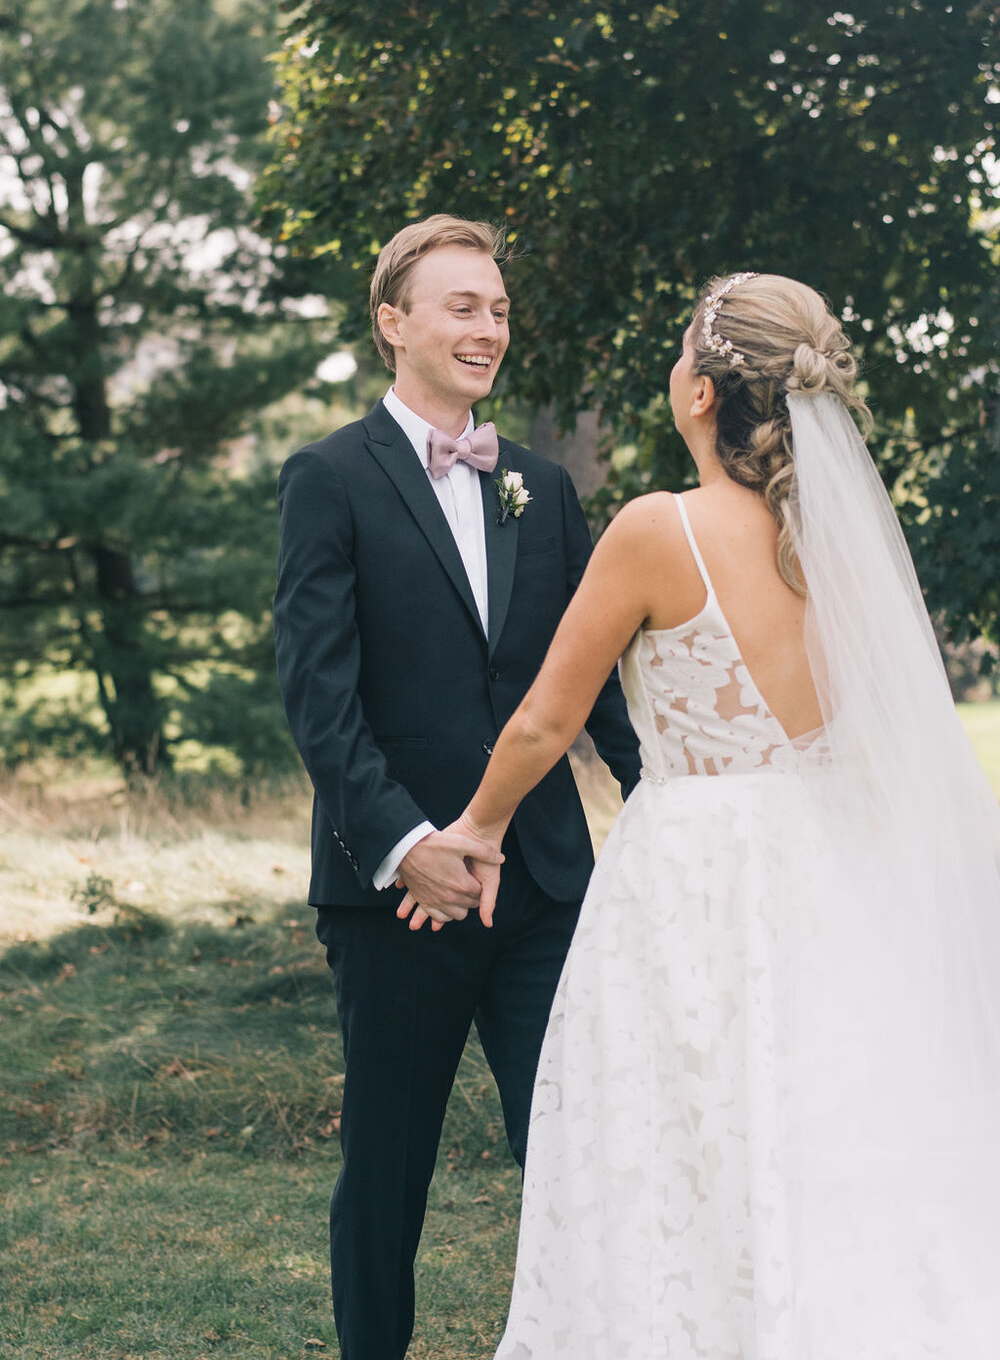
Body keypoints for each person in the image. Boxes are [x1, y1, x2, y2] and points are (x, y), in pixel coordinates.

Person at [402, 271, 1000, 1357]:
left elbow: (544, 719)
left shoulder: (656, 531)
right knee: (817, 1129)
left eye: (681, 353)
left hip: (688, 878)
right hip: (823, 865)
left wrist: (477, 829)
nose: (672, 370)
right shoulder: (839, 549)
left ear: (701, 397)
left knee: (675, 1133)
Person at [272, 214, 641, 1360]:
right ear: (394, 322)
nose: (489, 327)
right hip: (397, 896)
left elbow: (596, 689)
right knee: (387, 1171)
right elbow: (318, 699)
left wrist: (669, 804)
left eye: (498, 308)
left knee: (580, 1159)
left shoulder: (544, 487)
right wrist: (405, 845)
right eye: (462, 306)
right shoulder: (327, 477)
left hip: (542, 888)